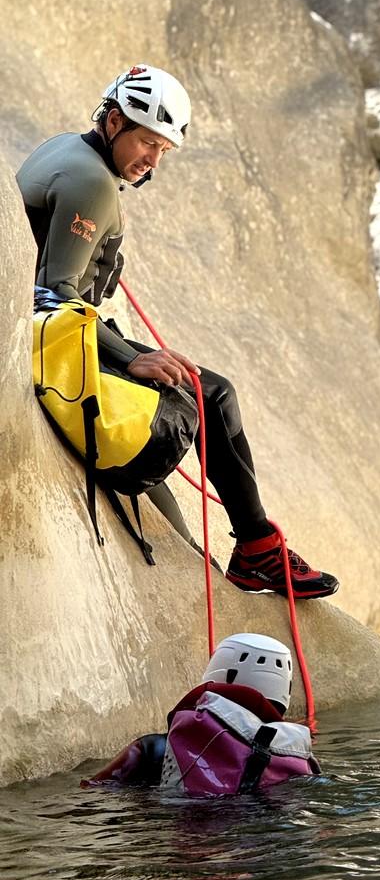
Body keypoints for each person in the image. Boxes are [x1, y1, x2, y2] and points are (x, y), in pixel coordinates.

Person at [17, 64, 337, 599]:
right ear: (114, 123)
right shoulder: (91, 183)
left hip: (51, 332)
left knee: (191, 402)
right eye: (148, 142)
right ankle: (258, 550)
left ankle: (236, 549)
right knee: (211, 394)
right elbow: (51, 293)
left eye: (164, 149)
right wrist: (129, 357)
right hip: (53, 340)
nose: (153, 160)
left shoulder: (63, 148)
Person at [81, 633, 321, 794]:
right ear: (286, 689)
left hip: (184, 841)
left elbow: (95, 792)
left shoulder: (155, 748)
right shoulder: (293, 753)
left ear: (219, 672)